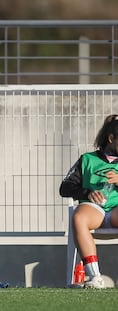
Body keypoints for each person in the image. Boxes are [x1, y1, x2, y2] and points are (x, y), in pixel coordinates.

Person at [59, 114, 118, 289]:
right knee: (78, 217)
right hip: (94, 210)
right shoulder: (87, 159)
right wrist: (87, 192)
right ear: (111, 138)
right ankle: (95, 277)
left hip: (116, 209)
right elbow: (65, 188)